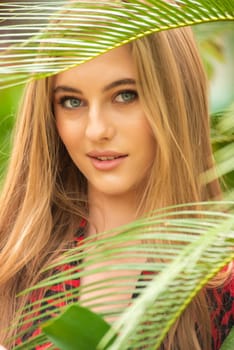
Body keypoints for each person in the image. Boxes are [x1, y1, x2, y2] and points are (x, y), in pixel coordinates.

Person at [0, 6, 233, 349]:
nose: (97, 130)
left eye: (125, 95)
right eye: (72, 101)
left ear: (175, 97)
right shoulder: (10, 258)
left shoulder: (219, 275)